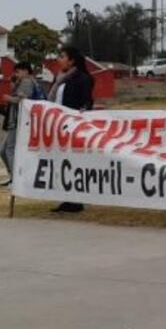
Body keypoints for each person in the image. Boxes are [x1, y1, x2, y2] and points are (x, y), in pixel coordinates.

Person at [49, 46, 94, 213]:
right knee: (61, 162)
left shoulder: (83, 78)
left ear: (72, 60)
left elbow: (87, 101)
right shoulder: (61, 79)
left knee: (74, 162)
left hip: (73, 127)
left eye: (62, 56)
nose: (58, 59)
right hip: (58, 126)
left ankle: (76, 200)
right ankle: (66, 197)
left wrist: (83, 111)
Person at [0, 62, 39, 186]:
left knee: (9, 150)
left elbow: (24, 101)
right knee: (4, 150)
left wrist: (9, 98)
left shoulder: (27, 82)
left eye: (18, 71)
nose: (16, 74)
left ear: (26, 71)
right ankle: (12, 176)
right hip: (16, 120)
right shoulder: (23, 83)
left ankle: (16, 178)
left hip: (18, 120)